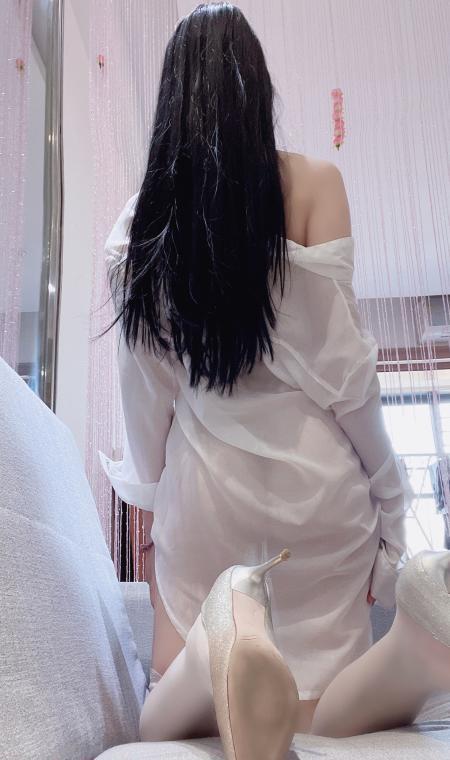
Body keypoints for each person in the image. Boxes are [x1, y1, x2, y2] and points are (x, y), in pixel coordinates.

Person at [98, 1, 449, 750]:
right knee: (319, 707)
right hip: (322, 499)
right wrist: (392, 502)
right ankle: (413, 655)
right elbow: (349, 379)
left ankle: (219, 642)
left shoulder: (140, 226)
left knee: (161, 715)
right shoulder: (318, 184)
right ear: (259, 91)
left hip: (209, 497)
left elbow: (146, 406)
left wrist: (156, 504)